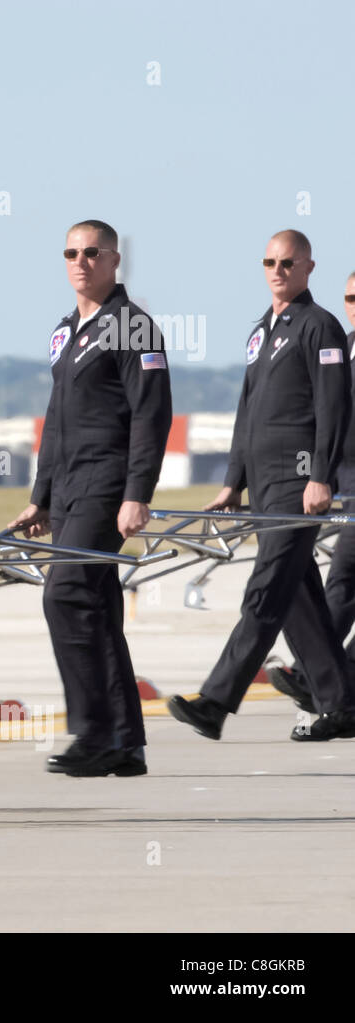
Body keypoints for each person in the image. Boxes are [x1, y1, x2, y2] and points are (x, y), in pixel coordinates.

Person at [168, 232, 355, 741]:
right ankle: (341, 703)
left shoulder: (321, 327)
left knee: (267, 587)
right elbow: (247, 411)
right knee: (297, 591)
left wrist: (321, 474)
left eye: (287, 263)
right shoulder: (263, 330)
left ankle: (216, 700)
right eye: (270, 262)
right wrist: (233, 482)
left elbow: (334, 408)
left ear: (307, 267)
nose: (277, 270)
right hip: (265, 483)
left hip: (298, 481)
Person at [9, 219, 171, 777]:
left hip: (108, 484)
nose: (80, 261)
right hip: (70, 486)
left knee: (66, 597)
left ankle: (94, 732)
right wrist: (40, 496)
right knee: (97, 608)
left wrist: (137, 494)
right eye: (71, 253)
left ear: (114, 260)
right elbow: (55, 420)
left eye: (92, 252)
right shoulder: (66, 330)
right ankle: (125, 743)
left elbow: (152, 415)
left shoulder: (133, 327)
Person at [268, 270, 355, 713]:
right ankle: (334, 681)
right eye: (350, 298)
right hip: (348, 484)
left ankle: (320, 678)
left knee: (343, 576)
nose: (354, 305)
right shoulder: (344, 345)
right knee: (343, 579)